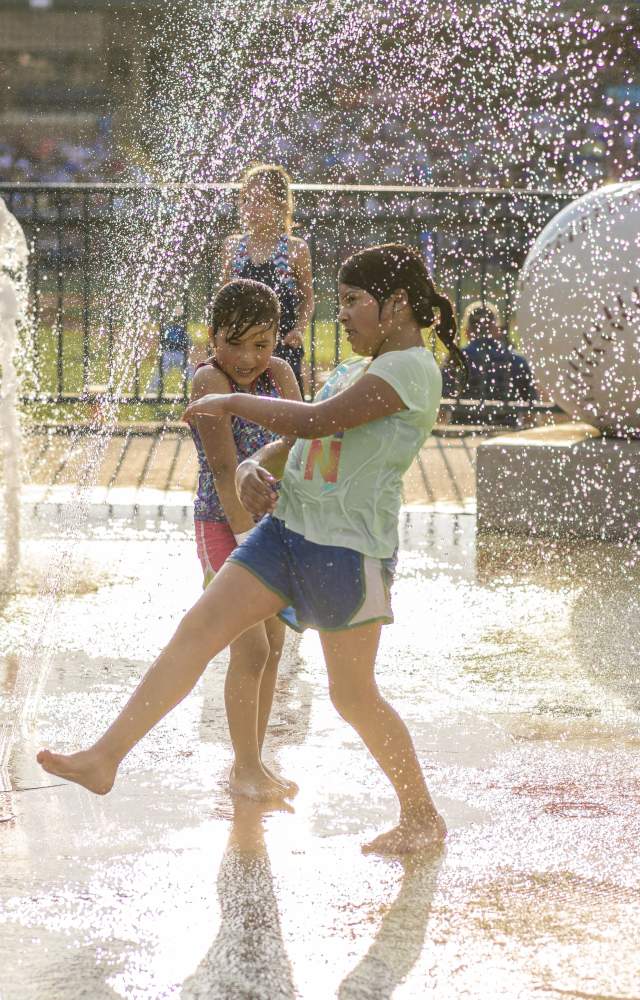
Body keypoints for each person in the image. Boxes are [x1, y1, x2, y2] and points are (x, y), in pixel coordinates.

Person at [37, 244, 465, 856]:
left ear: (396, 305)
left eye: (352, 302)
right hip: (287, 531)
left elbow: (318, 420)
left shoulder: (410, 370)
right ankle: (105, 758)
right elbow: (299, 435)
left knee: (353, 695)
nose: (339, 315)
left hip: (347, 549)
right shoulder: (357, 365)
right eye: (339, 301)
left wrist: (232, 401)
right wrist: (251, 467)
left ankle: (421, 814)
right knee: (198, 628)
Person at [189, 278, 302, 797]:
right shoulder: (208, 383)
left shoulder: (277, 373)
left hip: (271, 526)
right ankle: (245, 767)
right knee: (250, 648)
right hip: (224, 524)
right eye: (235, 342)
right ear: (213, 338)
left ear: (277, 338)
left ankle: (251, 763)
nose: (248, 357)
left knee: (274, 644)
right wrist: (244, 535)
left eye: (261, 344)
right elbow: (222, 464)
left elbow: (299, 443)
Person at [221, 163, 314, 395]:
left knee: (282, 407)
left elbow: (307, 298)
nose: (251, 208)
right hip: (239, 346)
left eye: (261, 201)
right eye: (246, 200)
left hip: (280, 345)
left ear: (281, 206)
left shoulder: (294, 249)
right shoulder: (233, 247)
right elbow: (222, 298)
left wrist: (299, 330)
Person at [442, 301, 537, 425]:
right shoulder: (516, 360)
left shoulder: (455, 360)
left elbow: (441, 404)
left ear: (467, 331)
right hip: (506, 429)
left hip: (463, 429)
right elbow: (531, 410)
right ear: (496, 329)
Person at [149, 306, 193, 394]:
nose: (177, 320)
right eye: (176, 318)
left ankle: (195, 390)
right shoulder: (169, 329)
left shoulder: (183, 329)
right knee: (161, 371)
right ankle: (152, 392)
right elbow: (163, 341)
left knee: (190, 372)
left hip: (180, 354)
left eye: (179, 318)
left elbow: (188, 343)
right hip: (168, 353)